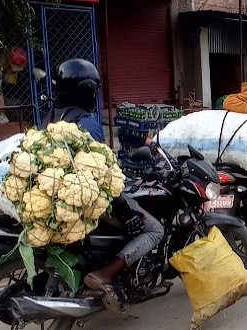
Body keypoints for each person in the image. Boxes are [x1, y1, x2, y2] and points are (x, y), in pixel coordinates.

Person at [42, 59, 164, 314]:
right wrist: (126, 211)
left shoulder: (51, 117)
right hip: (89, 198)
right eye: (94, 90)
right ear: (85, 90)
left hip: (61, 194)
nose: (95, 96)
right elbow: (101, 179)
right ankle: (107, 274)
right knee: (153, 229)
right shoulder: (86, 124)